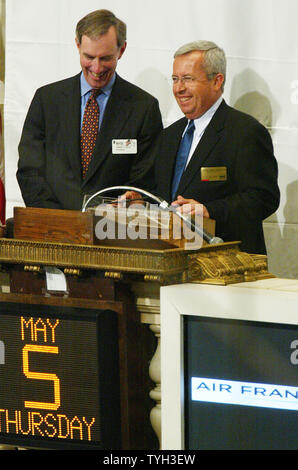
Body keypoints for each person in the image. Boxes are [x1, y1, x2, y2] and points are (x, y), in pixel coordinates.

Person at [141, 40, 279, 254]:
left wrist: (209, 211)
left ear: (217, 81)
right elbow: (163, 196)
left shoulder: (245, 132)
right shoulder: (169, 135)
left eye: (188, 79)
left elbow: (263, 198)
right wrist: (140, 200)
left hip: (227, 263)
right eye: (175, 79)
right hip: (172, 260)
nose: (179, 89)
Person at [17, 9, 163, 211]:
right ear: (77, 45)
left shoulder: (144, 108)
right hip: (52, 226)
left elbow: (144, 181)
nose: (96, 67)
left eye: (105, 58)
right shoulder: (47, 100)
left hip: (112, 230)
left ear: (121, 50)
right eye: (89, 56)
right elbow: (29, 170)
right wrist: (57, 219)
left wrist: (123, 207)